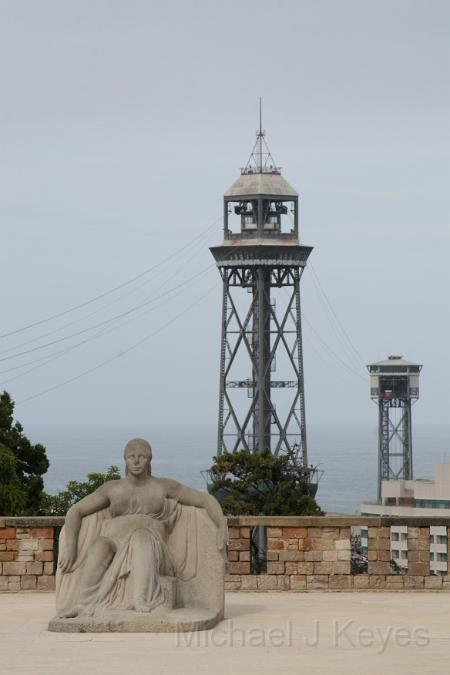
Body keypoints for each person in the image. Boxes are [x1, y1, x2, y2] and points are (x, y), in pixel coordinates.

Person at [57, 438, 225, 618]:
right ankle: (83, 604)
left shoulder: (163, 486)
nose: (136, 461)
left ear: (149, 459)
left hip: (152, 546)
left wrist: (221, 523)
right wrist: (70, 547)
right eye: (131, 456)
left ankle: (141, 598)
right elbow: (76, 511)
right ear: (125, 460)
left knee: (140, 537)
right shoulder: (112, 488)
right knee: (99, 546)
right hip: (114, 542)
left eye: (141, 456)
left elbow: (204, 500)